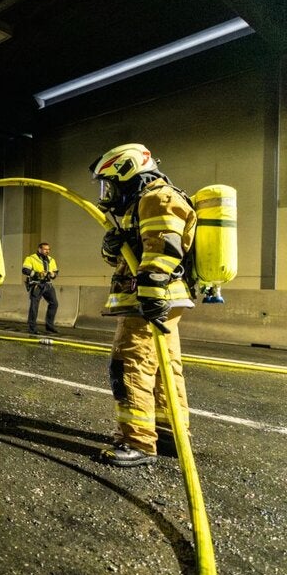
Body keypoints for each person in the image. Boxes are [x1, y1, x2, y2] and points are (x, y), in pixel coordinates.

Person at [89, 143, 197, 467]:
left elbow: (165, 249)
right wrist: (113, 247)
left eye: (110, 183)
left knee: (129, 366)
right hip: (161, 299)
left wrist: (151, 296)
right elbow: (128, 258)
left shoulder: (157, 198)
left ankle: (137, 441)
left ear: (127, 172)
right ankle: (168, 433)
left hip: (148, 302)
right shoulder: (141, 204)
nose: (107, 192)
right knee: (165, 369)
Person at [21, 243, 59, 334]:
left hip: (48, 285)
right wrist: (37, 274)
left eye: (48, 249)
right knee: (34, 306)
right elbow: (25, 270)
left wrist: (53, 275)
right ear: (39, 249)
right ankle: (32, 328)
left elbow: (55, 272)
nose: (47, 251)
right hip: (36, 285)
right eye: (45, 249)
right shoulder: (31, 258)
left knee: (54, 303)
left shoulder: (51, 260)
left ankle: (49, 326)